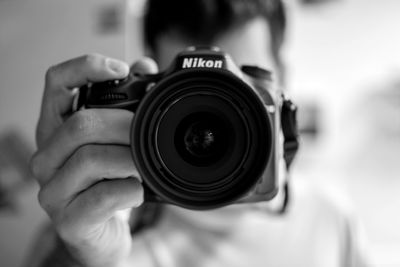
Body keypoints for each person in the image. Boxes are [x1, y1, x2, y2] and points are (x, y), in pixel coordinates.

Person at [28, 0, 370, 266]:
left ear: (281, 83)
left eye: (243, 82)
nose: (212, 118)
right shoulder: (93, 221)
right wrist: (83, 258)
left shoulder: (329, 220)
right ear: (151, 83)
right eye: (187, 91)